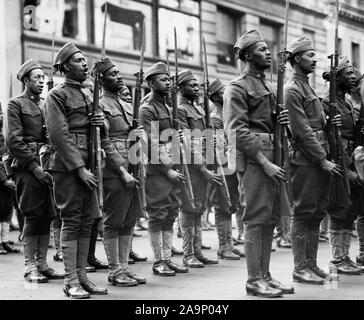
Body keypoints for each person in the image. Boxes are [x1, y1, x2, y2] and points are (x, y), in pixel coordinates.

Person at [44, 43, 125, 298]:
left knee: (87, 221)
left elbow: (103, 132)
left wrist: (102, 125)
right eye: (78, 60)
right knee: (71, 220)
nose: (84, 64)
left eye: (84, 60)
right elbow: (59, 135)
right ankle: (70, 281)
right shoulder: (57, 96)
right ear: (66, 66)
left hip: (91, 162)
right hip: (68, 167)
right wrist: (79, 169)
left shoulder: (90, 94)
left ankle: (82, 277)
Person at [224, 30, 294, 297]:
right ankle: (254, 279)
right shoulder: (237, 87)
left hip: (272, 157)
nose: (268, 53)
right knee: (255, 219)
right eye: (262, 49)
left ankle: (265, 275)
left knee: (270, 219)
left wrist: (280, 120)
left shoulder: (266, 86)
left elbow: (268, 126)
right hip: (255, 162)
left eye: (267, 48)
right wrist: (265, 163)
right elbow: (238, 131)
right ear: (246, 55)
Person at [284, 36, 342, 285]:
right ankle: (299, 267)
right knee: (303, 212)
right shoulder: (292, 90)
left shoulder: (308, 87)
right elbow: (301, 131)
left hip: (319, 158)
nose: (315, 59)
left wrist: (331, 124)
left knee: (317, 211)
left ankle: (311, 264)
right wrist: (322, 160)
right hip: (307, 161)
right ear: (297, 59)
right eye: (310, 55)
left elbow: (316, 125)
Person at [4, 59, 64, 282]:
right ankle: (30, 266)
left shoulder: (46, 103)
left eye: (42, 77)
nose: (41, 81)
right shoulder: (15, 104)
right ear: (26, 80)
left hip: (48, 164)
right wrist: (34, 167)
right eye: (36, 78)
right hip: (26, 167)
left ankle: (42, 263)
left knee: (48, 214)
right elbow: (13, 141)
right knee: (31, 214)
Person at [96, 57, 147, 286]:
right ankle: (115, 269)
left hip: (133, 164)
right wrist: (121, 170)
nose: (118, 76)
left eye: (118, 73)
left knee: (129, 218)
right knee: (114, 220)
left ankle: (125, 267)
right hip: (114, 169)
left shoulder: (127, 105)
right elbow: (104, 141)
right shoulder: (100, 105)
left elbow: (136, 135)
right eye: (112, 73)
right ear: (101, 79)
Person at [139, 62, 187, 276]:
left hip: (173, 165)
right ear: (151, 83)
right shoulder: (147, 109)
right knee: (157, 213)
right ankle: (158, 261)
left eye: (169, 79)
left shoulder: (168, 107)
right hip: (157, 170)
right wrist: (167, 168)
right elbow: (151, 142)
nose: (168, 83)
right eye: (163, 80)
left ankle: (167, 258)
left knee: (170, 213)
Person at [321, 56, 362, 275]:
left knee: (349, 210)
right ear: (337, 77)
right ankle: (337, 259)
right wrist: (345, 168)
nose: (353, 77)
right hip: (338, 163)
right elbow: (328, 141)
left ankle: (345, 256)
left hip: (350, 160)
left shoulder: (345, 102)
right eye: (348, 73)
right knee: (338, 209)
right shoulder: (326, 103)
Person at [177, 69, 220, 268]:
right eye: (191, 85)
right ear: (181, 88)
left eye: (197, 85)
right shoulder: (180, 109)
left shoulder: (200, 110)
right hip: (191, 166)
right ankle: (188, 253)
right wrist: (201, 167)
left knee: (200, 207)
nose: (196, 88)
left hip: (204, 161)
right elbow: (187, 141)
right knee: (189, 208)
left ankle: (198, 250)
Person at [208, 79, 243, 260]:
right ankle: (224, 246)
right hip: (222, 166)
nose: (227, 93)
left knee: (230, 205)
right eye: (223, 91)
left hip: (231, 164)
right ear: (215, 97)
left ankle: (229, 243)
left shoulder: (227, 113)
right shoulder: (216, 117)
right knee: (222, 206)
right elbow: (220, 146)